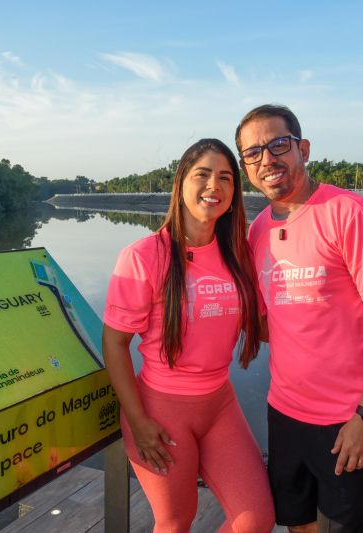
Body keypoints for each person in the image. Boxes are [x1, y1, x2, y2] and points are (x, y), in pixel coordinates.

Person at [235, 104, 363, 533]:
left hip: (348, 417)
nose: (267, 159)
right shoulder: (257, 232)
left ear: (304, 149)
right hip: (285, 413)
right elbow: (273, 320)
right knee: (299, 524)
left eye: (278, 144)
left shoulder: (352, 214)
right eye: (253, 153)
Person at [102, 138, 275, 532]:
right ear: (181, 182)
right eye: (203, 175)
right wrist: (138, 420)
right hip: (161, 411)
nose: (214, 186)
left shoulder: (237, 255)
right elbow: (114, 344)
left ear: (234, 194)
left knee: (256, 520)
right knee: (176, 522)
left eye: (226, 178)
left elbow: (260, 325)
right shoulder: (144, 256)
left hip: (219, 404)